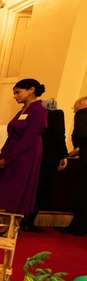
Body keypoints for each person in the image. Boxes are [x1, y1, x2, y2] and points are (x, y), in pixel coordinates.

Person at [0, 78, 47, 232]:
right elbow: (12, 134)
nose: (15, 96)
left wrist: (8, 158)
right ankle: (7, 227)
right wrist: (3, 154)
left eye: (18, 92)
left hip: (26, 154)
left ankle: (11, 229)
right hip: (14, 152)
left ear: (31, 90)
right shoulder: (23, 110)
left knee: (18, 190)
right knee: (10, 190)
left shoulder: (39, 110)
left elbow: (28, 138)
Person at [25, 98, 69, 232]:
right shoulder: (57, 114)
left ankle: (21, 219)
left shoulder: (31, 112)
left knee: (29, 189)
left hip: (32, 155)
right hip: (48, 158)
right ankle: (29, 222)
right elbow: (59, 135)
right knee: (40, 190)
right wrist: (63, 155)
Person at [56, 96, 87, 236]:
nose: (74, 110)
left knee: (82, 193)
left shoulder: (83, 112)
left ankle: (77, 226)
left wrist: (78, 146)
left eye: (74, 107)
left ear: (82, 103)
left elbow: (80, 134)